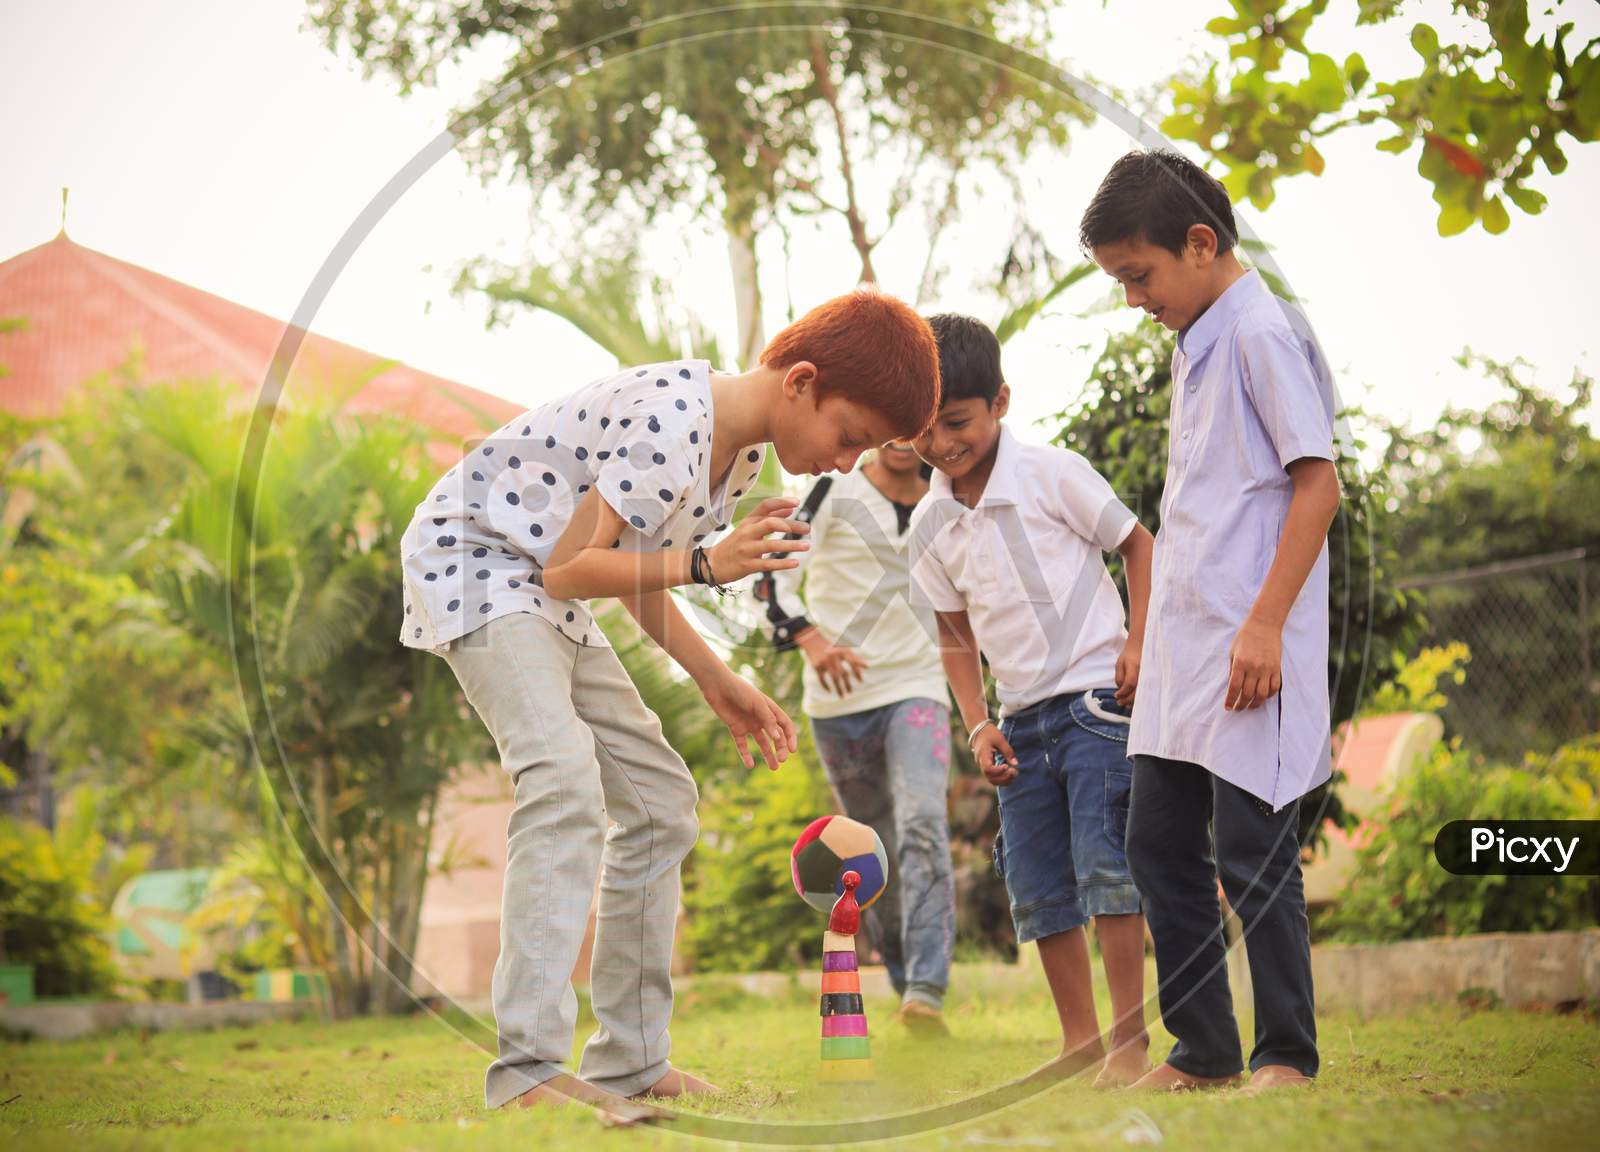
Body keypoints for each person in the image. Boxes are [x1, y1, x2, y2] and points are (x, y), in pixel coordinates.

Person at [399, 291, 941, 1119]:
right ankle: (528, 1071)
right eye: (850, 436)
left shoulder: (741, 455)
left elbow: (633, 569)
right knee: (562, 778)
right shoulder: (672, 422)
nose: (845, 461)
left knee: (659, 801)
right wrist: (710, 564)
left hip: (539, 581)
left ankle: (629, 1059)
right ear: (800, 381)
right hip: (477, 561)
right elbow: (573, 568)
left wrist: (714, 678)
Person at [1079, 149, 1342, 1095]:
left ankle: (1286, 1055)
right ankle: (1204, 1050)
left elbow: (1318, 485)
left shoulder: (1262, 332)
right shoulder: (1198, 337)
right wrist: (1150, 635)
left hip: (1249, 646)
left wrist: (1266, 626)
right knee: (1156, 843)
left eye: (1138, 276)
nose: (1133, 298)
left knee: (1251, 848)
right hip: (1187, 649)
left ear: (1201, 243)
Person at [907, 313, 1156, 1088]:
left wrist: (1139, 644)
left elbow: (1138, 545)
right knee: (1042, 887)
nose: (944, 444)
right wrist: (976, 721)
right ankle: (1080, 1041)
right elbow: (953, 634)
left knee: (1108, 869)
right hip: (1017, 724)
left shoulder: (1053, 473)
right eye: (924, 430)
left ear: (1000, 403)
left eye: (959, 423)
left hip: (1094, 702)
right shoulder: (927, 525)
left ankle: (1128, 1044)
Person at [754, 441, 957, 1035]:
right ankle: (904, 984)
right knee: (876, 848)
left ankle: (927, 988)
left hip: (918, 684)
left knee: (922, 821)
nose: (898, 437)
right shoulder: (832, 492)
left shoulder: (947, 500)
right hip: (838, 705)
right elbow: (771, 576)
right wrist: (811, 641)